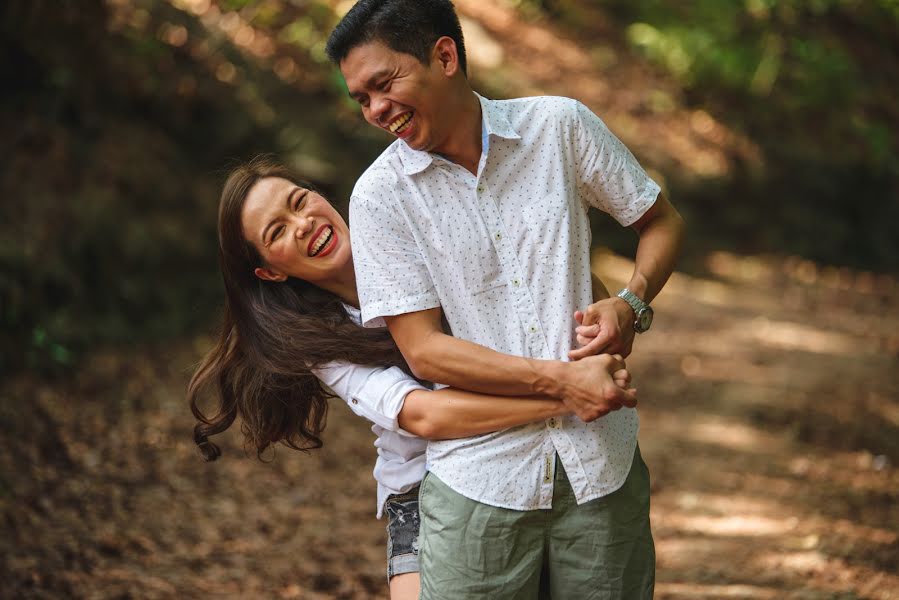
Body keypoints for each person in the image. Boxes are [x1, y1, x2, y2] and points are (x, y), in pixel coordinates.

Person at [325, 1, 686, 597]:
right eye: (361, 99)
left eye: (383, 85)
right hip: (478, 487)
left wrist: (630, 304)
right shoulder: (379, 198)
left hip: (602, 469)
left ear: (444, 56)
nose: (375, 110)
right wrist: (562, 384)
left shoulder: (559, 127)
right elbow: (425, 354)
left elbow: (661, 221)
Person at [187, 156, 635, 599]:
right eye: (278, 231)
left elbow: (544, 281)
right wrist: (569, 391)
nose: (301, 223)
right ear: (270, 271)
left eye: (299, 201)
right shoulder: (318, 340)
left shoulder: (412, 235)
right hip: (421, 484)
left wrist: (612, 319)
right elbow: (425, 417)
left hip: (535, 449)